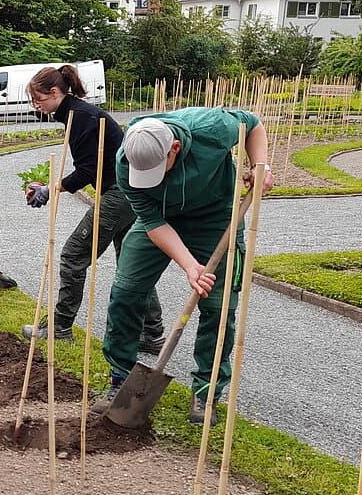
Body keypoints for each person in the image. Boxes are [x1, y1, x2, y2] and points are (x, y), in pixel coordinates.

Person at [99, 108, 275, 424]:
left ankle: (205, 391)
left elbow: (253, 125)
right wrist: (191, 266)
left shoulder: (213, 128)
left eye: (157, 168)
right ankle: (120, 380)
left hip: (215, 218)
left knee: (219, 307)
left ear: (175, 149)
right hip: (159, 219)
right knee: (126, 290)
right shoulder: (127, 161)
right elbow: (153, 222)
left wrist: (259, 166)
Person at [21, 65, 165, 353]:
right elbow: (89, 166)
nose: (35, 106)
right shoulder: (76, 114)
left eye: (38, 99)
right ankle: (153, 334)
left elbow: (87, 170)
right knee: (132, 264)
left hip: (120, 194)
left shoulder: (81, 118)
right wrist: (48, 186)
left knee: (74, 255)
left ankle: (59, 328)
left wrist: (51, 189)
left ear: (55, 92)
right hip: (130, 193)